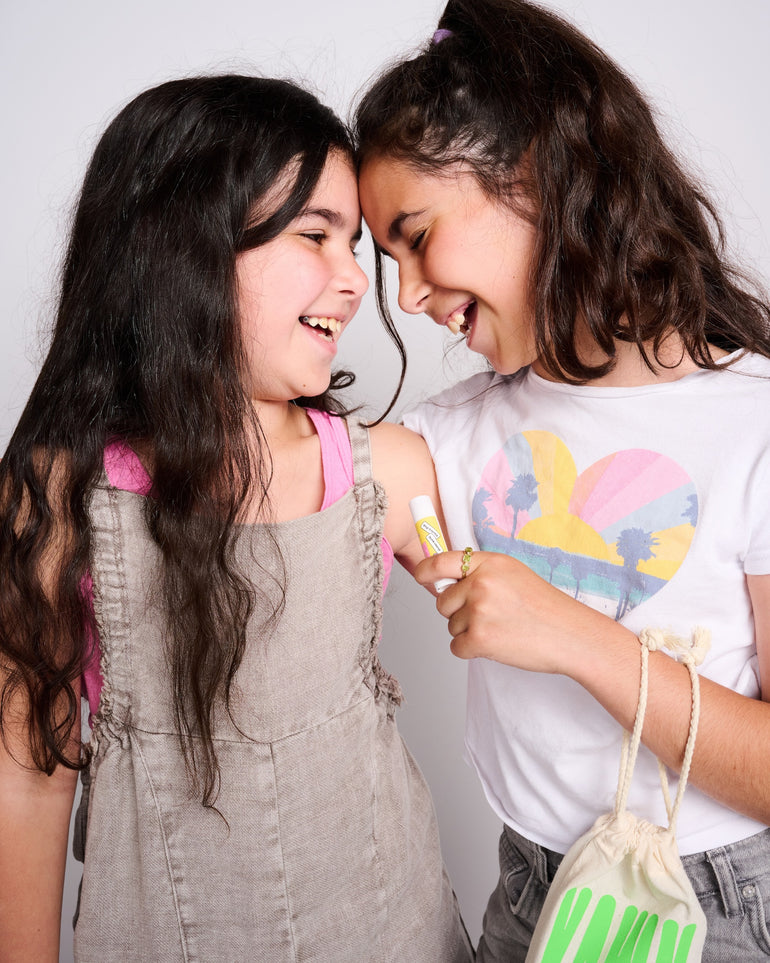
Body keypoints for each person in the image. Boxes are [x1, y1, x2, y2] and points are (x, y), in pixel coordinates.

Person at [0, 75, 474, 963]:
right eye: (314, 235)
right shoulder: (58, 497)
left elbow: (530, 607)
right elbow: (24, 773)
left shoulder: (392, 472)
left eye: (357, 246)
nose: (353, 282)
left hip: (393, 930)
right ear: (184, 247)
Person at [353, 1, 770, 959]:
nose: (408, 296)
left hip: (714, 908)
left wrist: (573, 636)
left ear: (535, 175)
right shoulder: (458, 435)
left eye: (415, 236)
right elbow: (276, 459)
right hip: (530, 893)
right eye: (386, 259)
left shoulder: (752, 422)